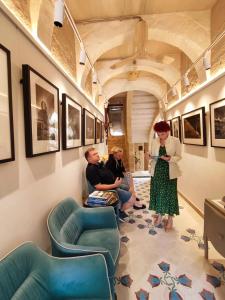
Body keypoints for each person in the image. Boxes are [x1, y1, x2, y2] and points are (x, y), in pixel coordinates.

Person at [85, 147, 136, 221]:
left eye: (97, 153)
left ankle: (119, 210)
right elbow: (98, 186)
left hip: (113, 186)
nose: (97, 155)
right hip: (107, 191)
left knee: (129, 189)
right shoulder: (91, 169)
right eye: (94, 154)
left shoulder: (98, 164)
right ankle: (119, 212)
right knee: (132, 199)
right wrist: (114, 185)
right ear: (89, 159)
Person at [148, 121, 182, 231]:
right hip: (157, 170)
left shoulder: (175, 141)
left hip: (170, 171)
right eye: (158, 134)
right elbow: (151, 153)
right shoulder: (154, 141)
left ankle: (170, 218)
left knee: (170, 194)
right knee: (158, 193)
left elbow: (179, 156)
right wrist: (149, 156)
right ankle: (160, 215)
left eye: (162, 134)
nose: (160, 136)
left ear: (168, 131)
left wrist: (170, 159)